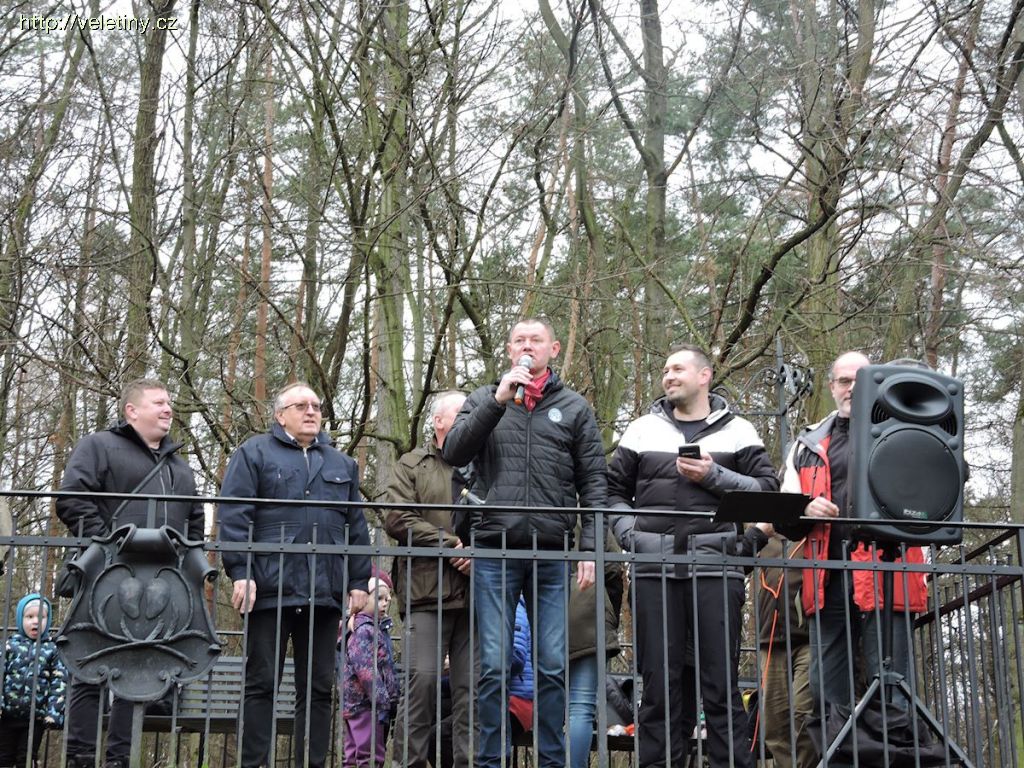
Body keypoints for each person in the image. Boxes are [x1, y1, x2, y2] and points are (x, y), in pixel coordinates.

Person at [441, 317, 607, 768]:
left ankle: (551, 762)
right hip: (494, 548)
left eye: (536, 340)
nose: (527, 346)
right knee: (494, 665)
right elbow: (453, 452)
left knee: (552, 665)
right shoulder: (485, 397)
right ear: (509, 350)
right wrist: (496, 401)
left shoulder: (575, 407)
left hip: (552, 551)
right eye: (519, 340)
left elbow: (595, 482)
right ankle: (490, 762)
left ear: (554, 349)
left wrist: (590, 548)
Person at [608, 343, 778, 768]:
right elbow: (612, 493)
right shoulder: (641, 429)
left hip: (717, 570)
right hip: (653, 570)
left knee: (720, 689)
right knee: (658, 690)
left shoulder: (739, 430)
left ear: (704, 376)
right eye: (666, 369)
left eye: (678, 369)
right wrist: (631, 537)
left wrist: (714, 475)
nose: (669, 376)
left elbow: (768, 493)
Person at [219, 381, 372, 768]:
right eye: (301, 406)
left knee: (319, 687)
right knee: (261, 683)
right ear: (280, 415)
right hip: (269, 588)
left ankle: (312, 763)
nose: (311, 411)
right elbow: (234, 515)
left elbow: (356, 526)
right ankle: (254, 763)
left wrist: (358, 581)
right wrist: (241, 571)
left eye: (316, 406)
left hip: (325, 592)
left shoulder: (342, 464)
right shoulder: (253, 453)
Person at [57, 378, 204, 768]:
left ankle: (120, 760)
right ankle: (79, 759)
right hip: (105, 577)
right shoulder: (98, 446)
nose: (168, 408)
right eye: (158, 402)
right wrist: (110, 545)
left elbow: (194, 522)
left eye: (169, 402)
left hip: (162, 586)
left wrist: (186, 568)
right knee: (90, 667)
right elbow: (72, 498)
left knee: (140, 672)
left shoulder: (180, 468)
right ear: (131, 410)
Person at [382, 390, 472, 768]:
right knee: (421, 684)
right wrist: (450, 545)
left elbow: (502, 520)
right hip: (425, 592)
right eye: (462, 412)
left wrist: (478, 552)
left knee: (473, 691)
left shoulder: (484, 466)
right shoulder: (412, 464)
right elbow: (396, 518)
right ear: (438, 421)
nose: (469, 418)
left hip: (477, 595)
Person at [753, 532, 815, 768]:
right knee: (774, 721)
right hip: (770, 642)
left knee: (804, 712)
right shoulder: (763, 538)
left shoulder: (813, 535)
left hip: (808, 638)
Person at [566, 533, 623, 768]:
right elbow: (613, 570)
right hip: (589, 612)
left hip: (544, 611)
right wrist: (609, 615)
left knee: (550, 703)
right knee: (581, 706)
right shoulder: (593, 521)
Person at [340, 572, 400, 768]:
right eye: (379, 598)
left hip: (358, 704)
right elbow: (366, 671)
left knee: (354, 754)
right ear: (363, 599)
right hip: (367, 704)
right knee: (371, 754)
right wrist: (383, 700)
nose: (385, 604)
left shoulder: (372, 629)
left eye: (387, 599)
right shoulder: (365, 630)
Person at [0, 593, 67, 768]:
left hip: (35, 717)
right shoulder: (9, 646)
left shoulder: (52, 650)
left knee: (27, 757)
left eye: (41, 617)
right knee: (4, 757)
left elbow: (59, 682)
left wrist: (53, 712)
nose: (35, 621)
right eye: (29, 617)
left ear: (48, 620)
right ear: (20, 619)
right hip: (7, 715)